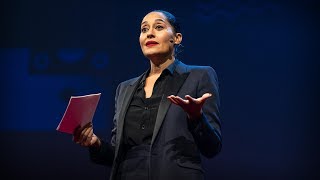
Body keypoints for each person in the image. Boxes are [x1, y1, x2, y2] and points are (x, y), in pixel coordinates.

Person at [73, 9, 222, 180]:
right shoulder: (124, 88)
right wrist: (95, 143)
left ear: (177, 38)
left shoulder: (199, 76)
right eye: (144, 29)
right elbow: (116, 155)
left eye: (158, 27)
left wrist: (196, 117)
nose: (150, 33)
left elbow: (212, 148)